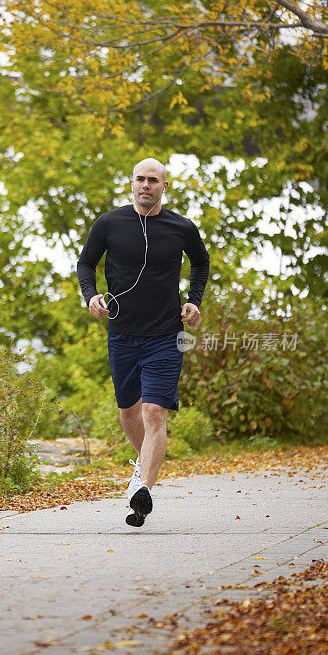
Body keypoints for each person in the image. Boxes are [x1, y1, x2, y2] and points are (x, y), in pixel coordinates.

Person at [76, 158, 210, 527]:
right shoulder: (109, 223)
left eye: (153, 180)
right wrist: (90, 295)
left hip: (167, 335)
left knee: (154, 414)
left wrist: (194, 299)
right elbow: (85, 263)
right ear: (131, 183)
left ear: (165, 186)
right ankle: (144, 471)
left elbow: (201, 262)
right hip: (122, 334)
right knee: (128, 413)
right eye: (140, 179)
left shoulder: (181, 228)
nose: (146, 185)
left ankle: (143, 490)